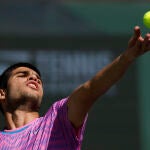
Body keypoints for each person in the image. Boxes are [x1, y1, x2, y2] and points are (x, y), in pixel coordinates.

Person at [0, 26, 150, 150]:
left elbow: (90, 90)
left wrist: (126, 58)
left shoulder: (56, 120)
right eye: (22, 74)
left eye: (38, 78)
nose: (34, 78)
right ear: (2, 93)